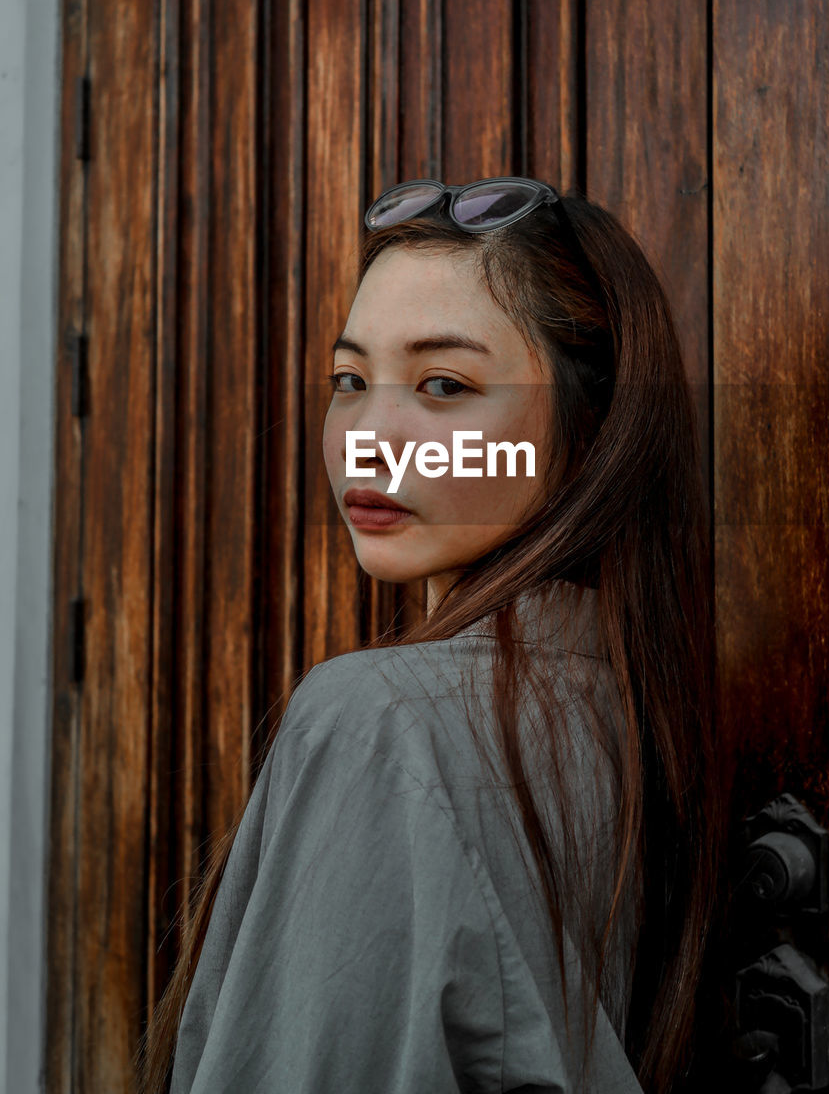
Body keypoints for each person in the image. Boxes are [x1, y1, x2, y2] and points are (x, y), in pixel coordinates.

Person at [137, 178, 721, 1093]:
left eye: (444, 385)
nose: (370, 438)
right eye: (349, 381)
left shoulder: (383, 720)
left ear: (590, 430)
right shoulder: (626, 709)